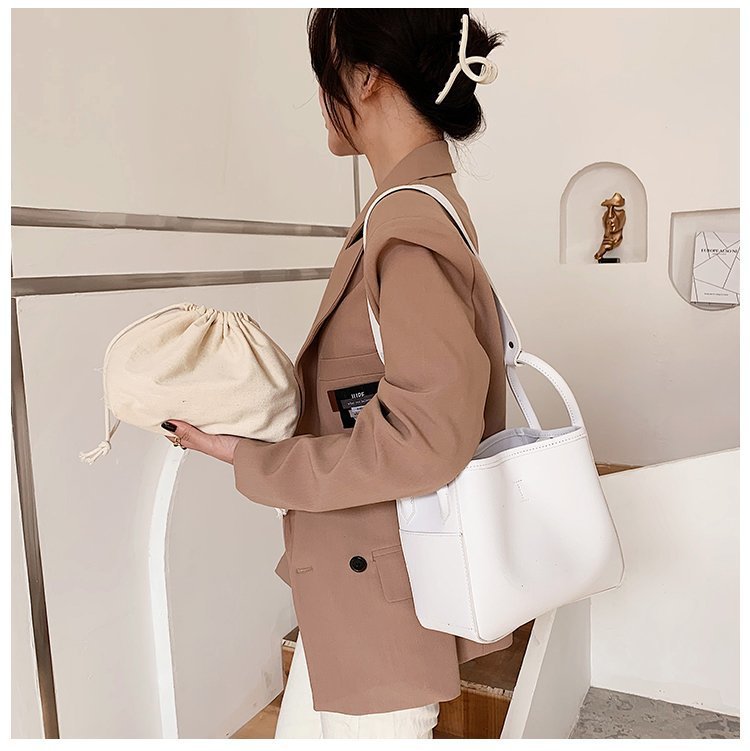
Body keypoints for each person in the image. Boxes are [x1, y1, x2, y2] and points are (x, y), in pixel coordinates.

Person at [161, 8, 512, 740]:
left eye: (324, 74)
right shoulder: (406, 212)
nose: (320, 97)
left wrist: (253, 457)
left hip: (382, 610)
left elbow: (424, 440)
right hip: (360, 597)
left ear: (366, 76)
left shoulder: (406, 230)